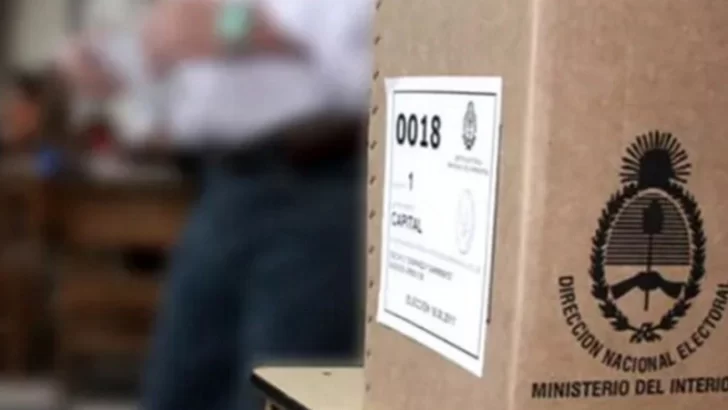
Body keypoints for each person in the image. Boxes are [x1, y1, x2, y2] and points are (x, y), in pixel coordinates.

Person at [57, 0, 371, 409]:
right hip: (222, 184)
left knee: (276, 391)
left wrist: (229, 28)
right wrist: (122, 60)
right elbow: (182, 69)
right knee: (179, 390)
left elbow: (368, 57)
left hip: (317, 180)